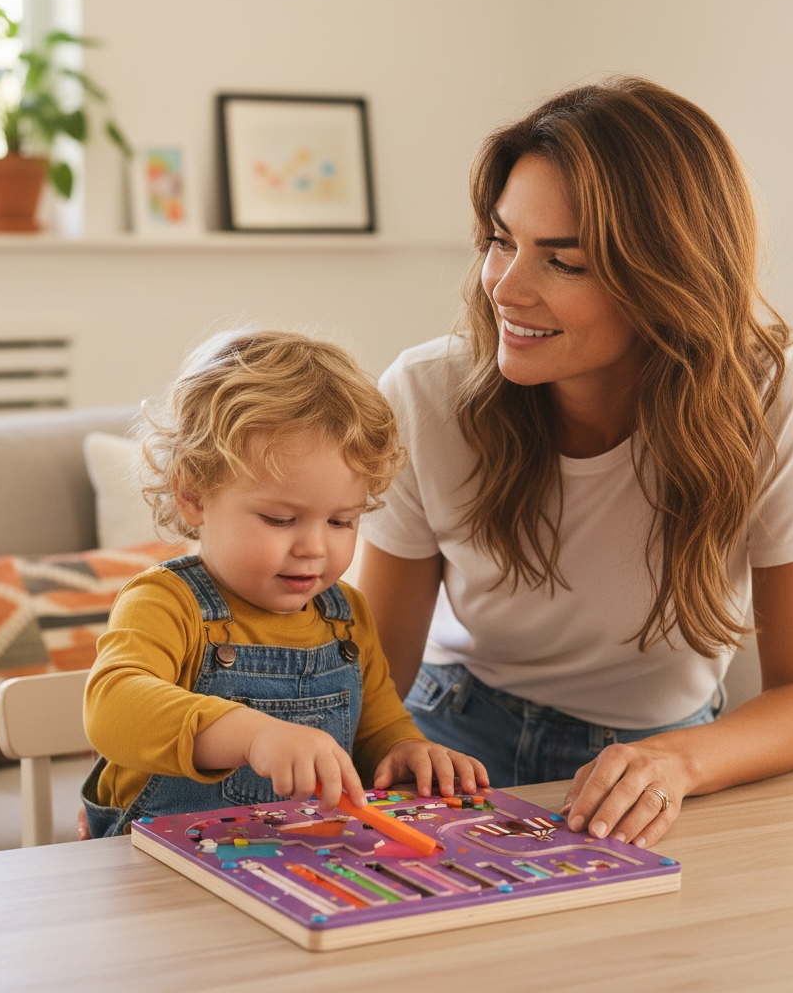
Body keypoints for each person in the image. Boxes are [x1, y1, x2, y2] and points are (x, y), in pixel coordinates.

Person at [356, 76, 793, 850]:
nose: (507, 287)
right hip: (449, 736)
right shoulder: (428, 394)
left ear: (668, 277)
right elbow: (377, 683)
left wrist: (674, 762)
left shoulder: (773, 399)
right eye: (503, 241)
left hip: (664, 759)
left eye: (564, 262)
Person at [81, 330, 488, 838]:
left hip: (291, 870)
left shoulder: (346, 615)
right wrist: (251, 735)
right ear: (193, 495)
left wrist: (408, 752)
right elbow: (112, 706)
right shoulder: (165, 603)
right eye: (279, 519)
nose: (314, 548)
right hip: (154, 873)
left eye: (341, 521)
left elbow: (380, 728)